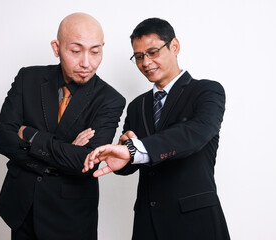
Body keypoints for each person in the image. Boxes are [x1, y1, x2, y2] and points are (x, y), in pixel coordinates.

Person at [83, 18, 230, 240]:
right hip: (147, 223)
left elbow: (195, 133)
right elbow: (129, 161)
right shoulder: (136, 106)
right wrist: (123, 156)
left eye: (153, 52)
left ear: (175, 46)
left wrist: (135, 150)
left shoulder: (206, 91)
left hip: (195, 223)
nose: (146, 62)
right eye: (139, 56)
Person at [0, 12, 125, 240]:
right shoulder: (28, 78)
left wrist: (30, 135)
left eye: (95, 51)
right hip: (22, 207)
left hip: (70, 217)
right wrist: (65, 150)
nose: (86, 62)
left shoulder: (111, 99)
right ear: (56, 48)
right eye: (75, 51)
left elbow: (84, 163)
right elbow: (2, 138)